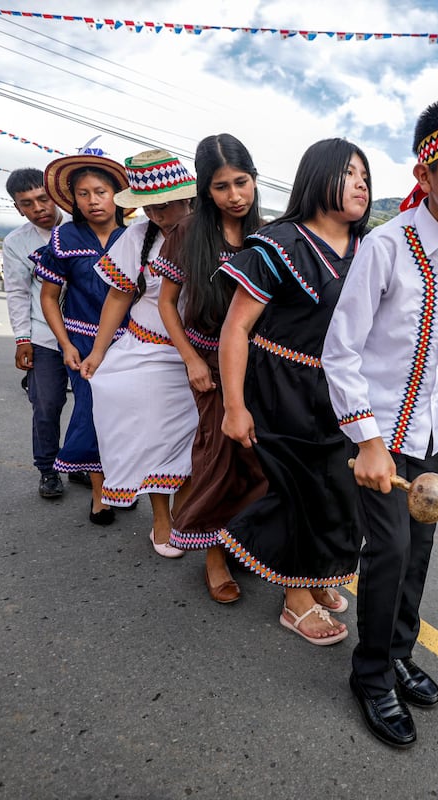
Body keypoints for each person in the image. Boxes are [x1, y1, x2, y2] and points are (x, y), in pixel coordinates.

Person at [324, 96, 438, 750]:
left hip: (433, 434)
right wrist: (368, 441)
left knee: (421, 546)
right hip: (378, 437)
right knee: (391, 550)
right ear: (427, 173)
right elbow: (340, 350)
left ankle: (400, 651)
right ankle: (371, 673)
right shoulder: (387, 245)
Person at [218, 138, 371, 645]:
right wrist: (235, 405)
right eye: (349, 172)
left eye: (365, 175)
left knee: (336, 490)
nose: (361, 183)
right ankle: (295, 599)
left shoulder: (369, 252)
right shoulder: (279, 244)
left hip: (338, 390)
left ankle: (314, 574)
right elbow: (236, 329)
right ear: (318, 177)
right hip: (280, 385)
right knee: (297, 493)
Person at [161, 133, 269, 603]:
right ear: (206, 191)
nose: (235, 196)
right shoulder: (187, 233)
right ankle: (214, 557)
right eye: (222, 187)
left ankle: (241, 541)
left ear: (254, 179)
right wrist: (190, 360)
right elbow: (167, 304)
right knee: (218, 455)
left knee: (257, 459)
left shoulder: (268, 234)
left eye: (241, 182)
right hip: (207, 361)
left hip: (258, 364)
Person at [81, 150, 199, 559]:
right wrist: (97, 352)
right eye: (151, 207)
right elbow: (118, 296)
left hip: (200, 356)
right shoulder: (139, 237)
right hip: (146, 349)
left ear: (189, 198)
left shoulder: (213, 233)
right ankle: (162, 522)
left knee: (191, 443)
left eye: (167, 206)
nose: (160, 215)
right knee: (153, 438)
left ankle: (191, 519)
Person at [33, 153, 129, 525]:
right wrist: (66, 344)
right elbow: (48, 297)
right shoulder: (64, 237)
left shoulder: (137, 235)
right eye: (83, 193)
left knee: (123, 416)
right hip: (81, 342)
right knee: (91, 410)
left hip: (130, 342)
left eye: (100, 192)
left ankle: (121, 483)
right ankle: (99, 494)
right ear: (73, 199)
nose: (92, 200)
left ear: (117, 194)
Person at [2, 168, 68, 499]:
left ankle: (85, 464)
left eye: (43, 198)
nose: (38, 208)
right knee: (46, 404)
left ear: (55, 195)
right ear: (18, 209)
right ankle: (48, 468)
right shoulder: (16, 243)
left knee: (95, 405)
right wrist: (22, 339)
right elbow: (16, 292)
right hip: (44, 337)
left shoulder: (80, 225)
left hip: (91, 335)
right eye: (27, 203)